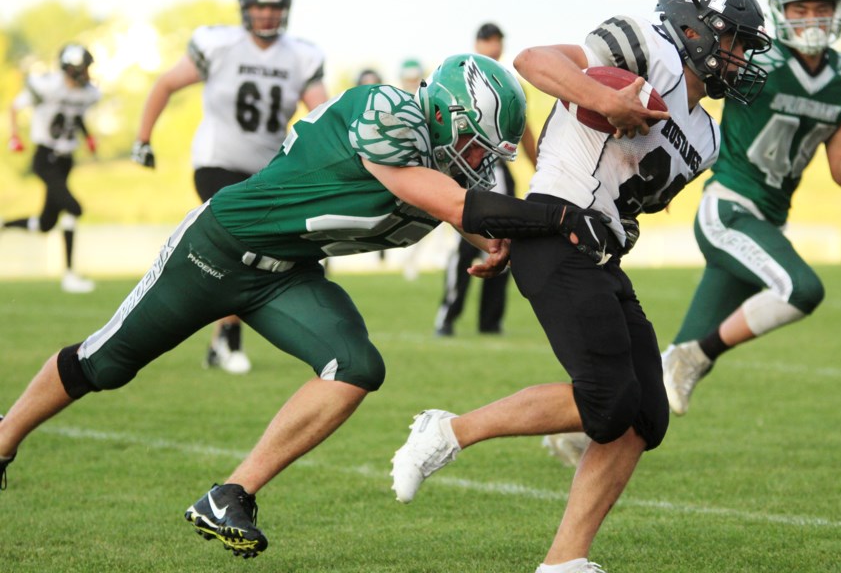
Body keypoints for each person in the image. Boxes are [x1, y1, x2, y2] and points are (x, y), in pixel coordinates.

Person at [0, 53, 615, 559]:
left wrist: (499, 242)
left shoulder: (440, 167)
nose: (482, 165)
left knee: (356, 366)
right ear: (447, 114)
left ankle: (231, 493)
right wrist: (556, 217)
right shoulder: (391, 112)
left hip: (286, 275)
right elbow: (453, 205)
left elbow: (468, 213)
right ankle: (3, 442)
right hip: (218, 249)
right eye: (478, 148)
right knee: (105, 364)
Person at [391, 0, 771, 573]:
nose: (742, 59)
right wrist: (606, 99)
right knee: (607, 400)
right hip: (555, 232)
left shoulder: (706, 137)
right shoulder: (649, 46)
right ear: (696, 29)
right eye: (737, 43)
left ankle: (564, 561)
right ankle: (446, 432)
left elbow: (634, 192)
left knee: (645, 415)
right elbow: (532, 60)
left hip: (602, 250)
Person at [661, 0, 841, 416]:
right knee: (802, 289)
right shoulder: (754, 60)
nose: (812, 19)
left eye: (821, 8)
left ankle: (576, 428)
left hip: (766, 222)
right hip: (729, 208)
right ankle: (698, 355)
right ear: (783, 12)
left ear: (838, 11)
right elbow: (685, 95)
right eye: (801, 9)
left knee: (667, 366)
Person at [130, 0, 329, 375]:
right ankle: (227, 341)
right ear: (245, 8)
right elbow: (166, 84)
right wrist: (143, 138)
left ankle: (220, 339)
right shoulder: (219, 44)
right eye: (260, 6)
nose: (267, 15)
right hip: (216, 161)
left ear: (285, 11)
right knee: (244, 247)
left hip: (267, 171)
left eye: (274, 7)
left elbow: (323, 117)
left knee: (254, 254)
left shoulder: (301, 55)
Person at [434, 22, 538, 336]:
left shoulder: (510, 84)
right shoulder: (457, 79)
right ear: (478, 43)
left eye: (497, 41)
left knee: (504, 243)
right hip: (464, 167)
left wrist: (541, 169)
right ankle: (447, 316)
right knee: (465, 247)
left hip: (496, 169)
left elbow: (524, 130)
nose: (493, 46)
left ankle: (490, 322)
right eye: (487, 40)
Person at [4, 44, 101, 294]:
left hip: (65, 160)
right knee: (74, 207)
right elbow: (15, 105)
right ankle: (69, 275)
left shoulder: (87, 93)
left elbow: (74, 115)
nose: (88, 73)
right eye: (84, 68)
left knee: (46, 223)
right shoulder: (48, 85)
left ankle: (3, 224)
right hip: (45, 157)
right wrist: (14, 136)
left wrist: (87, 136)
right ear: (71, 69)